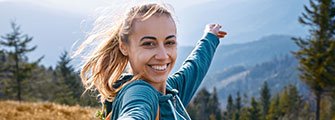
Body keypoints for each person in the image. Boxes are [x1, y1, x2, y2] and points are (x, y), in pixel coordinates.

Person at [75, 3, 227, 120]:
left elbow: (194, 67)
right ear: (124, 47)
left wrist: (210, 38)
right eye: (149, 44)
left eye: (169, 43)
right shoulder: (139, 93)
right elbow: (135, 112)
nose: (162, 55)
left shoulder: (170, 91)